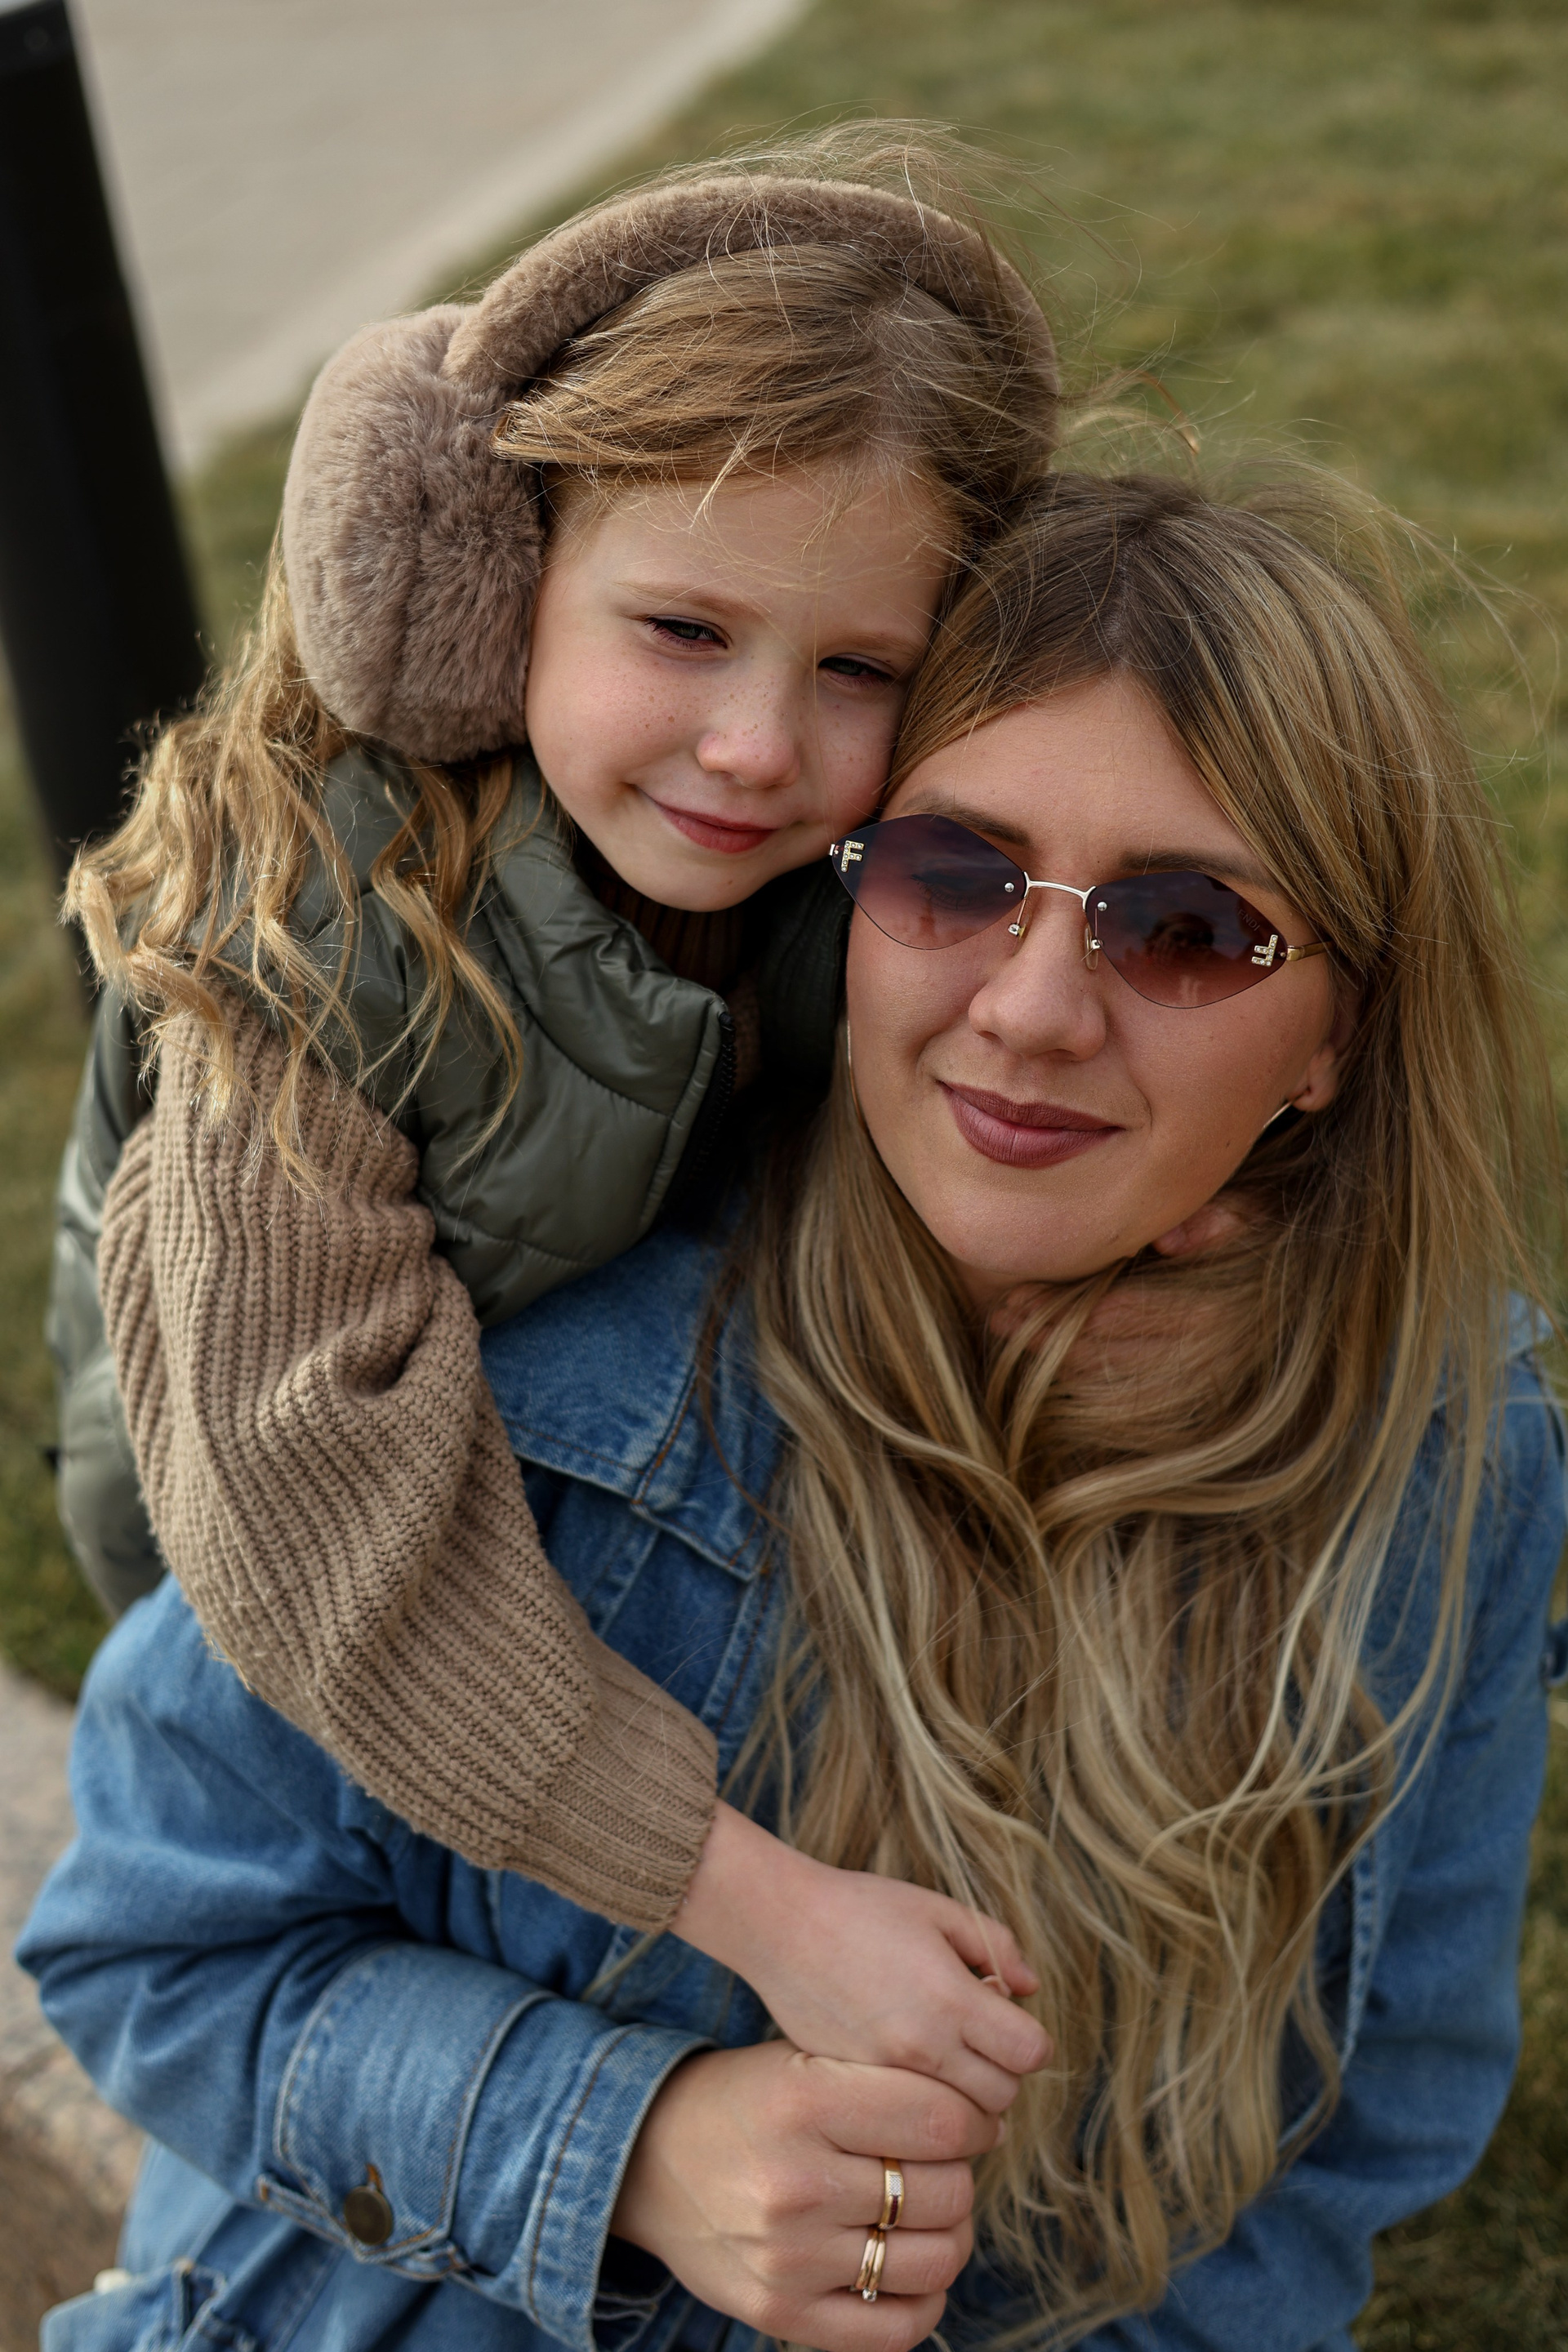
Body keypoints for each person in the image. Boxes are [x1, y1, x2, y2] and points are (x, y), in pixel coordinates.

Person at [24, 467, 1566, 2352]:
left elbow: (1353, 2134)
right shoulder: (538, 1371)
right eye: (957, 877)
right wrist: (629, 2146)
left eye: (1183, 929)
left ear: (1336, 1029)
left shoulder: (1449, 1455)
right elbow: (157, 1948)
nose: (1033, 1009)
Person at [46, 131, 1060, 2091]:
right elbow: (305, 1524)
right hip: (269, 1590)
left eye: (862, 667)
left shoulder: (815, 865)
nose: (757, 747)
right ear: (484, 581)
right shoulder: (315, 953)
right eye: (682, 631)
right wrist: (762, 1904)